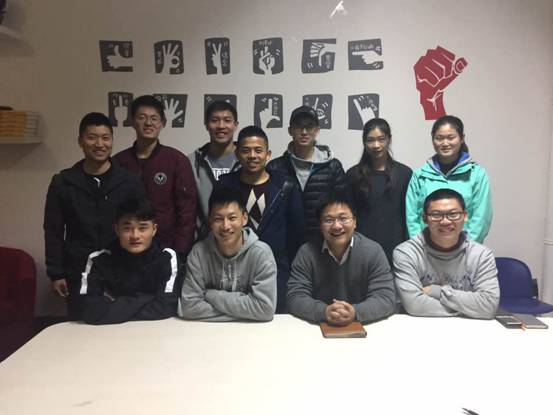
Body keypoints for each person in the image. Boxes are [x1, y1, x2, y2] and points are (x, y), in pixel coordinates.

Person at [43, 112, 143, 320]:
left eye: (106, 138)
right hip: (79, 270)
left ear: (112, 141)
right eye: (92, 137)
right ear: (80, 141)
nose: (99, 144)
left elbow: (141, 224)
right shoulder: (63, 182)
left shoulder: (129, 181)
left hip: (121, 267)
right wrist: (56, 273)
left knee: (123, 326)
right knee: (81, 327)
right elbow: (53, 230)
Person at [217, 125, 304, 312]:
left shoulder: (285, 185)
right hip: (234, 269)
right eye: (246, 150)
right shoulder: (225, 184)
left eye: (258, 150)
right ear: (237, 154)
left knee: (273, 319)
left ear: (268, 154)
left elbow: (298, 232)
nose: (252, 156)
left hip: (277, 270)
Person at [287, 191, 395, 326]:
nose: (337, 226)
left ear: (355, 222)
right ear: (320, 225)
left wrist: (354, 312)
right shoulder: (307, 252)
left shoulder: (373, 251)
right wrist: (324, 312)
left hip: (364, 326)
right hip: (316, 327)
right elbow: (295, 296)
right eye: (328, 220)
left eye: (343, 218)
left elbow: (385, 298)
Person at [394, 188, 499, 318]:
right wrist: (468, 309)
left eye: (453, 214)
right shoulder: (407, 253)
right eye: (436, 215)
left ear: (465, 216)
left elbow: (489, 305)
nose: (445, 221)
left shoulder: (481, 255)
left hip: (469, 327)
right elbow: (414, 305)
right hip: (419, 325)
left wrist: (437, 291)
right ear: (425, 218)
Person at [115, 95, 197, 256]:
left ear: (162, 123)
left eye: (154, 118)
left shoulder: (177, 160)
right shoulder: (119, 162)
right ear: (132, 122)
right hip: (125, 248)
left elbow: (187, 212)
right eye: (142, 118)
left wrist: (179, 252)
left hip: (165, 248)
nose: (148, 123)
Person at [178, 188, 277, 321]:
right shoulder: (198, 253)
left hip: (251, 332)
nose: (225, 226)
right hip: (207, 331)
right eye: (218, 219)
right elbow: (189, 307)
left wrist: (211, 295)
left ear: (244, 218)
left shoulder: (261, 254)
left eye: (232, 218)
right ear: (210, 221)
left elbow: (265, 309)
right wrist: (246, 312)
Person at [80, 198, 182, 325]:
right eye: (127, 228)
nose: (135, 235)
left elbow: (166, 307)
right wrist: (148, 299)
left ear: (154, 229)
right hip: (109, 332)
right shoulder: (98, 260)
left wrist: (115, 304)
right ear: (117, 229)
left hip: (155, 330)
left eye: (142, 228)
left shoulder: (166, 257)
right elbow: (90, 311)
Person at [405, 115, 492, 243]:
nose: (445, 143)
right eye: (439, 138)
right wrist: (421, 247)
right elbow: (412, 218)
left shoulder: (476, 174)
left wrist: (465, 248)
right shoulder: (420, 175)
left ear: (462, 138)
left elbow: (481, 218)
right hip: (425, 249)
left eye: (451, 137)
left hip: (465, 249)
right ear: (432, 139)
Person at [267, 105, 345, 240]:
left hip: (323, 241)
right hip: (285, 241)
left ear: (317, 130)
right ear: (290, 130)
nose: (304, 132)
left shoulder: (333, 167)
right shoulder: (275, 167)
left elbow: (344, 207)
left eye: (309, 126)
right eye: (298, 126)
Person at [344, 118, 412, 264]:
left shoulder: (404, 174)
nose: (376, 145)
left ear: (389, 140)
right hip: (362, 249)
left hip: (397, 248)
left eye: (381, 139)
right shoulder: (353, 175)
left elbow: (409, 214)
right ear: (364, 142)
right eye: (370, 140)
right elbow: (348, 215)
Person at [189, 100, 240, 239]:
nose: (221, 126)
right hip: (203, 243)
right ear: (206, 125)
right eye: (214, 120)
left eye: (227, 120)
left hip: (240, 242)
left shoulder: (246, 161)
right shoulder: (192, 162)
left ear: (235, 125)